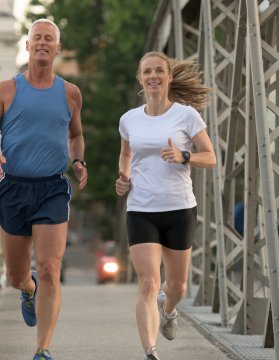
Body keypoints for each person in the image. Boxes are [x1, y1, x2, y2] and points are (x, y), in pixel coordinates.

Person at [0, 19, 87, 360]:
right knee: (15, 275)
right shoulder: (6, 90)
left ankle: (43, 349)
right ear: (27, 46)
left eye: (49, 39)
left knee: (50, 266)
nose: (42, 43)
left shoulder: (70, 93)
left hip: (53, 188)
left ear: (57, 49)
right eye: (36, 37)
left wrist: (79, 160)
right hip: (13, 188)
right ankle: (28, 287)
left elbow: (75, 135)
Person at [115, 52, 216, 360]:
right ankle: (150, 352)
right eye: (147, 71)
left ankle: (169, 309)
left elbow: (210, 157)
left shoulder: (186, 116)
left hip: (179, 209)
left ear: (169, 77)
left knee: (177, 285)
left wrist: (184, 156)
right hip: (141, 209)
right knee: (148, 281)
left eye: (160, 70)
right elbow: (126, 155)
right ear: (141, 78)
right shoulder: (129, 119)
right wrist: (124, 177)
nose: (153, 76)